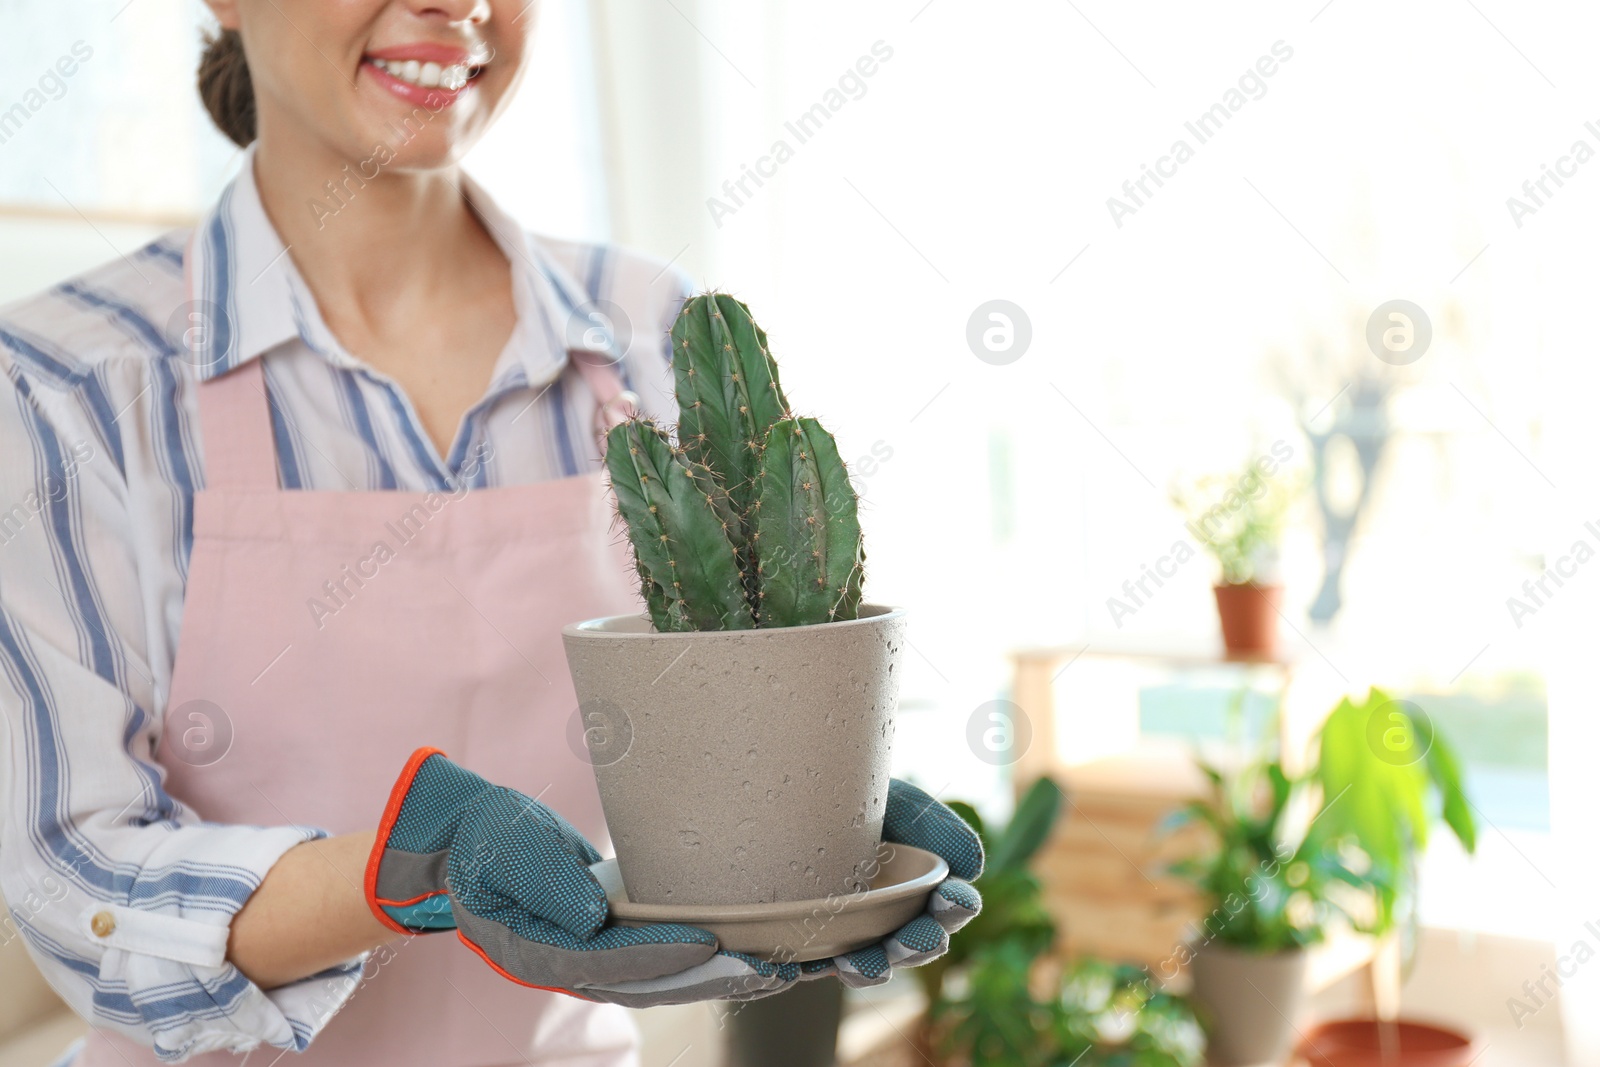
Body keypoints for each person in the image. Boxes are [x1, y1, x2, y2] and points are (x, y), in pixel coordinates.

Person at [0, 2, 984, 1065]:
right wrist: (406, 868)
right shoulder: (68, 388)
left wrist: (814, 822)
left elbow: (711, 713)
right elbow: (77, 880)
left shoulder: (644, 329)